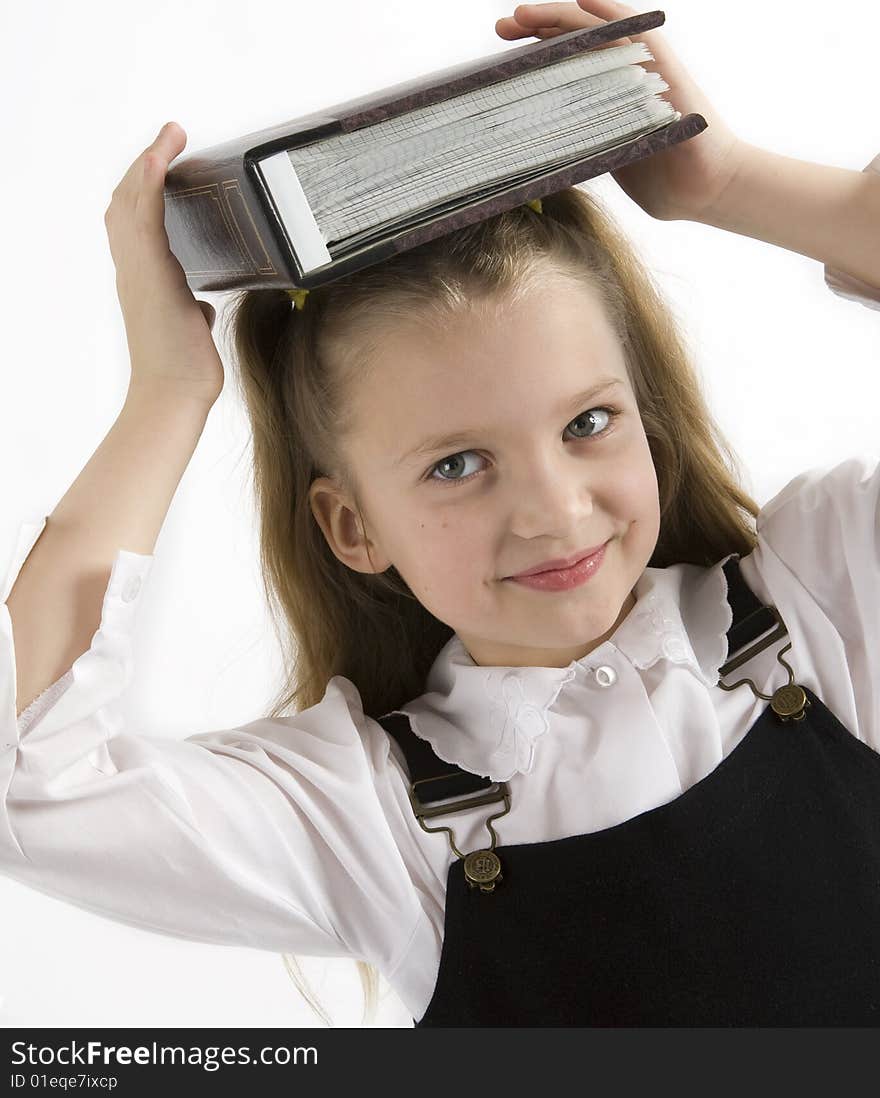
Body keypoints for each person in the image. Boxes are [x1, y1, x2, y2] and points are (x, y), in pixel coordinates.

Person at [2, 0, 879, 1027]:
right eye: (458, 464)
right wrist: (165, 393)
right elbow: (31, 785)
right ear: (349, 526)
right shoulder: (370, 820)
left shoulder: (827, 601)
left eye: (588, 421)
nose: (553, 510)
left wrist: (726, 182)